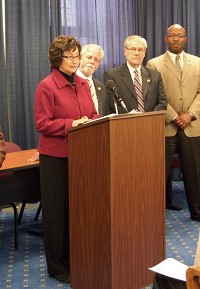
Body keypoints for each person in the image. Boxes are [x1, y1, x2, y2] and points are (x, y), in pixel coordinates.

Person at [34, 35, 99, 283]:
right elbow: (42, 123)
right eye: (69, 56)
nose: (74, 61)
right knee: (57, 214)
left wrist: (94, 120)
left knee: (77, 212)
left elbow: (92, 113)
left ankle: (75, 258)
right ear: (57, 58)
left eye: (76, 56)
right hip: (56, 158)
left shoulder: (82, 84)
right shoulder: (47, 86)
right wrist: (72, 123)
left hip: (82, 157)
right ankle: (57, 266)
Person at [147, 24, 200, 219]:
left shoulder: (198, 62)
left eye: (180, 36)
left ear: (186, 39)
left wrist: (191, 114)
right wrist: (174, 116)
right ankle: (155, 216)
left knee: (194, 172)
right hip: (165, 125)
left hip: (192, 125)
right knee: (159, 174)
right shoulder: (154, 64)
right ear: (165, 39)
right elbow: (154, 95)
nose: (176, 39)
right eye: (172, 36)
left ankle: (197, 212)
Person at [104, 35, 167, 113]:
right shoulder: (112, 75)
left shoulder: (155, 75)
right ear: (125, 51)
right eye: (132, 49)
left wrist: (148, 117)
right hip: (125, 123)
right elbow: (112, 105)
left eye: (140, 50)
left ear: (144, 53)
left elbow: (162, 103)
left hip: (151, 123)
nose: (136, 53)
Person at [76, 44, 111, 116]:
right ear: (80, 58)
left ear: (98, 64)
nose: (92, 61)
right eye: (89, 57)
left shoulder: (100, 86)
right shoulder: (70, 82)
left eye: (96, 59)